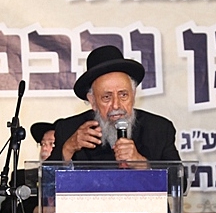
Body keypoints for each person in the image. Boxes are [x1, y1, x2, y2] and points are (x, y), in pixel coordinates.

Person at [47, 45, 181, 163]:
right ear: (92, 101)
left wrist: (142, 163)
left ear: (133, 95)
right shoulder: (69, 130)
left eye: (123, 95)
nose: (116, 105)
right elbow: (45, 180)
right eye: (107, 97)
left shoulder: (159, 130)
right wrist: (68, 149)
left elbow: (178, 180)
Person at [0, 121, 54, 213]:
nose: (44, 149)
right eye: (43, 144)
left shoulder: (75, 178)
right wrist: (36, 211)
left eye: (52, 144)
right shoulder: (22, 177)